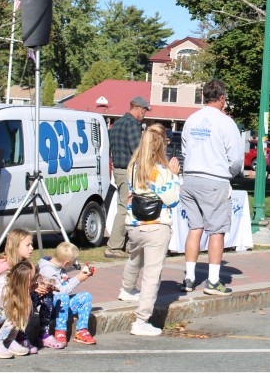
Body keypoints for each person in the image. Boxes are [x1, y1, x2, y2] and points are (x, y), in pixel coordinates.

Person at [180, 79, 243, 296]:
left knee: (194, 228)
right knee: (217, 230)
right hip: (214, 179)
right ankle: (213, 280)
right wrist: (229, 173)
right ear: (222, 98)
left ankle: (189, 277)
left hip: (190, 178)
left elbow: (185, 150)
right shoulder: (226, 122)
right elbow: (236, 158)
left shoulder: (191, 120)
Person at [119, 123, 181, 335]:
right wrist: (174, 175)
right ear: (162, 144)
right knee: (152, 274)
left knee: (135, 258)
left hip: (134, 222)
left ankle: (126, 289)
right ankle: (141, 320)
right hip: (156, 225)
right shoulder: (161, 171)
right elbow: (172, 199)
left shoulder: (133, 166)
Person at [0, 228, 58, 349]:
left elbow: (33, 281)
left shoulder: (25, 264)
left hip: (12, 300)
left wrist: (43, 286)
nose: (32, 248)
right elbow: (7, 292)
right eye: (28, 245)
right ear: (15, 246)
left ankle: (44, 334)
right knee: (28, 300)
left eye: (32, 245)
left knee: (46, 295)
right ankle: (21, 336)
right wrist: (32, 289)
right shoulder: (5, 265)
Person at [106, 96, 150, 259]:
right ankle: (114, 246)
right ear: (140, 109)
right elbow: (136, 150)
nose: (144, 115)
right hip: (128, 170)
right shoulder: (132, 124)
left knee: (123, 206)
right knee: (125, 208)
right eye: (145, 111)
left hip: (118, 169)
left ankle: (121, 244)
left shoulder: (117, 123)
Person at [38, 241, 96, 345]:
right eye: (72, 264)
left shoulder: (60, 267)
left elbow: (65, 283)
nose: (72, 266)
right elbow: (60, 291)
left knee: (86, 296)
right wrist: (78, 279)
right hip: (49, 307)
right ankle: (60, 331)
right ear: (66, 263)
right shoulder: (47, 270)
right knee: (63, 297)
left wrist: (81, 275)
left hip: (61, 305)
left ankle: (81, 330)